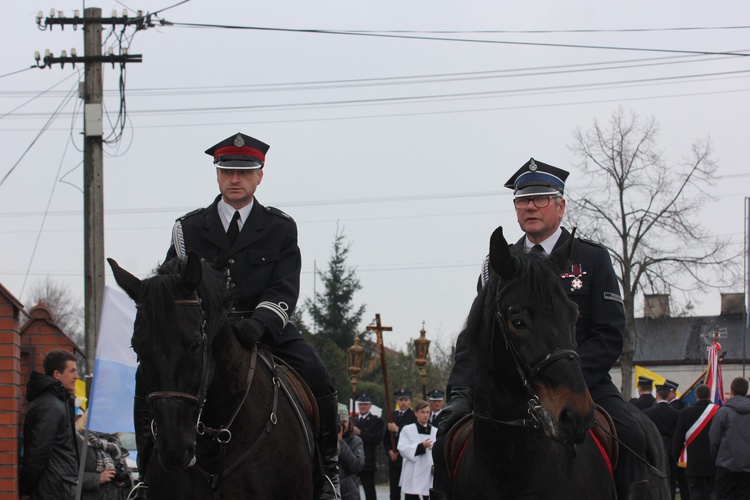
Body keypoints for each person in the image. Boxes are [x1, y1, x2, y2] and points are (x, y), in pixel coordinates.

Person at [132, 132, 340, 499]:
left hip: (263, 326)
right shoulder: (189, 228)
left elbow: (284, 287)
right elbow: (172, 281)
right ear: (217, 174)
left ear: (260, 175)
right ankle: (146, 474)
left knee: (318, 378)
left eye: (245, 172)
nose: (235, 179)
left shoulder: (279, 226)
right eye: (227, 170)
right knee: (148, 379)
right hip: (201, 330)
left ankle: (327, 474)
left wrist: (260, 323)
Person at [434, 158, 647, 500]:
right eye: (523, 200)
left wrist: (569, 378)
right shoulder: (498, 265)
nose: (531, 206)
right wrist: (460, 391)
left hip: (579, 380)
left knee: (632, 436)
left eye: (541, 198)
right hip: (511, 388)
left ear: (561, 206)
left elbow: (609, 333)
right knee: (446, 440)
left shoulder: (591, 259)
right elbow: (475, 336)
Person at [20, 349, 80, 500]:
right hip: (52, 490)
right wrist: (26, 489)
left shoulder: (57, 402)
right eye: (72, 371)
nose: (76, 376)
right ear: (57, 374)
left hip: (57, 486)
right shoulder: (51, 406)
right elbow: (38, 450)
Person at [673, 384, 719, 500]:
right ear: (709, 395)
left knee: (695, 492)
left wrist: (676, 457)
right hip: (713, 460)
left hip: (693, 461)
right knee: (712, 491)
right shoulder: (719, 411)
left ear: (696, 395)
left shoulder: (685, 413)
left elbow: (678, 439)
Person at [76, 411, 133, 500]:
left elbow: (127, 474)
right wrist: (97, 478)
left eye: (110, 415)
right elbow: (69, 475)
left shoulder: (115, 441)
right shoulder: (79, 439)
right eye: (102, 414)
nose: (106, 418)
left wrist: (124, 481)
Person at [709, 377, 750, 499]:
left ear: (731, 391)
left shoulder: (723, 412)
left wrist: (717, 459)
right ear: (746, 391)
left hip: (726, 465)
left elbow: (714, 439)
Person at [644, 384, 681, 499]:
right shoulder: (676, 413)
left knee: (654, 477)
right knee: (671, 479)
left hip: (654, 448)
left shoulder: (648, 412)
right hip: (670, 448)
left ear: (657, 395)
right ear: (668, 395)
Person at [398, 400, 437, 500]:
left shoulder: (435, 431)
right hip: (413, 474)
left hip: (428, 474)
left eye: (428, 412)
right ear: (416, 413)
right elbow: (402, 448)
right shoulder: (407, 429)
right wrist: (420, 447)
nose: (425, 415)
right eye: (422, 412)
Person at [384, 388, 417, 500]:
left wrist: (398, 429)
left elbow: (413, 435)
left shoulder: (414, 416)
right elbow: (386, 438)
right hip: (394, 458)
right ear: (397, 402)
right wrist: (389, 451)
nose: (403, 402)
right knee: (394, 491)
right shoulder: (392, 416)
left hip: (406, 459)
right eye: (400, 400)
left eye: (405, 400)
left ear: (409, 401)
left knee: (410, 491)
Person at [353, 393, 384, 500]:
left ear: (370, 406)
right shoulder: (353, 420)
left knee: (369, 490)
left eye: (365, 404)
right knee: (351, 489)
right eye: (361, 404)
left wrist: (360, 433)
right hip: (352, 459)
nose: (363, 406)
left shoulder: (376, 421)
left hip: (367, 460)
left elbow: (376, 439)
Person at [338, 404, 365, 500]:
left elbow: (356, 466)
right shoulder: (324, 441)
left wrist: (340, 442)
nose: (341, 425)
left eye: (344, 421)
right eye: (338, 422)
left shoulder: (356, 441)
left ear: (349, 422)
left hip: (349, 494)